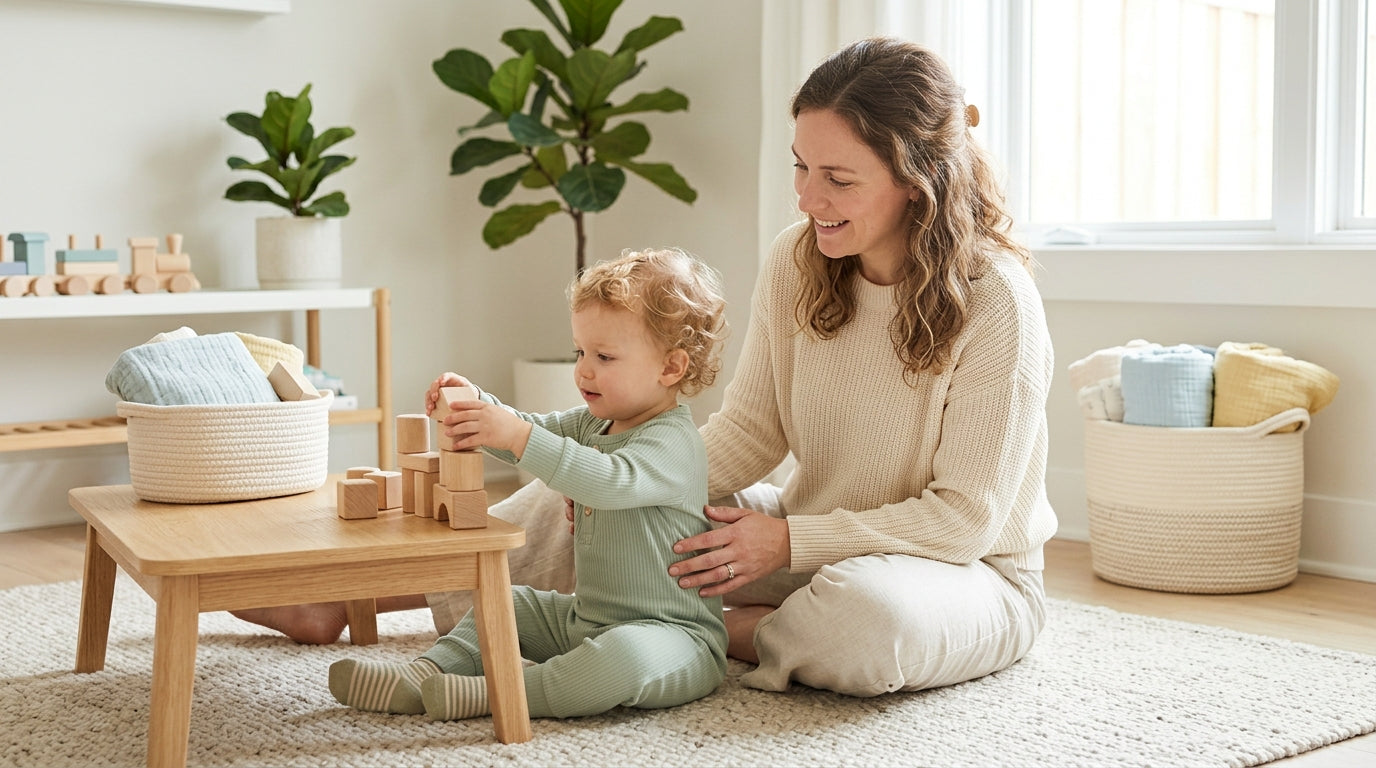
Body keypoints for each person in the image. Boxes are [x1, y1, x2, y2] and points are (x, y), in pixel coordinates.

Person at [237, 36, 1056, 699]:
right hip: (804, 535)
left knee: (868, 621)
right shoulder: (801, 258)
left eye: (838, 179)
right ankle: (347, 600)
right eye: (800, 167)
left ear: (918, 180)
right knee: (593, 483)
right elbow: (751, 431)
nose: (808, 199)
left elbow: (965, 521)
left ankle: (708, 630)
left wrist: (787, 542)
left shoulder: (997, 300)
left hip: (963, 575)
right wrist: (618, 476)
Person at [326, 247, 731, 721]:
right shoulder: (593, 422)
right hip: (587, 620)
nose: (584, 370)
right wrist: (480, 408)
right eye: (580, 352)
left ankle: (497, 695)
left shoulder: (674, 441)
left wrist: (518, 435)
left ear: (670, 368)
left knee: (622, 658)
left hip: (674, 637)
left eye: (604, 356)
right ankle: (420, 677)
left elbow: (610, 481)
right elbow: (528, 431)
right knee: (507, 603)